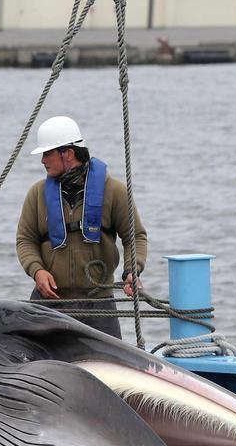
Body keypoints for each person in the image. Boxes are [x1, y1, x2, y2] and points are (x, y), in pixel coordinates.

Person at [15, 116, 148, 339]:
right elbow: (25, 240)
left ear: (68, 153)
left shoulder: (114, 191)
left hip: (99, 304)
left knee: (107, 366)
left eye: (48, 153)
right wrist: (37, 270)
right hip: (49, 303)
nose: (43, 161)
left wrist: (132, 270)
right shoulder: (37, 194)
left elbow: (135, 236)